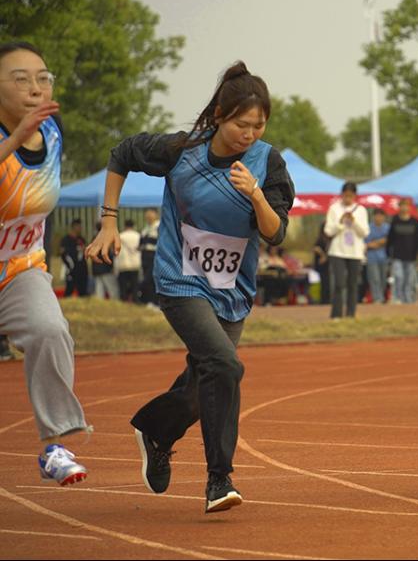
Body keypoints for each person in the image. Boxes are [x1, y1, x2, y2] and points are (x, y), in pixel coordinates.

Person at [86, 61, 295, 512]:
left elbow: (275, 233)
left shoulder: (267, 161)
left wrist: (256, 194)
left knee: (206, 384)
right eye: (242, 124)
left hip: (232, 289)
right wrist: (108, 222)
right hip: (179, 279)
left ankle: (155, 429)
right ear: (220, 115)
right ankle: (219, 481)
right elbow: (122, 153)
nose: (250, 134)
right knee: (225, 366)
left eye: (259, 125)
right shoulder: (182, 150)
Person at [0, 41, 90, 485]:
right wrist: (14, 139)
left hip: (18, 267)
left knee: (51, 328)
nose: (35, 87)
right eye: (21, 79)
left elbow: (42, 207)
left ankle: (56, 444)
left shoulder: (53, 133)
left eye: (43, 78)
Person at [324, 181, 368, 318]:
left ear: (355, 195)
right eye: (345, 195)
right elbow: (328, 231)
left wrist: (354, 222)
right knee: (339, 283)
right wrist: (340, 223)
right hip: (337, 251)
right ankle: (336, 315)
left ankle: (351, 314)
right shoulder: (334, 208)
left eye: (350, 196)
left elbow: (365, 233)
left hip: (355, 252)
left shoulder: (361, 210)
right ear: (341, 194)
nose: (347, 199)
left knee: (353, 285)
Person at [386, 198, 418, 304]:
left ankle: (409, 300)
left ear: (410, 207)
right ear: (399, 207)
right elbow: (390, 238)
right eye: (402, 205)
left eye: (406, 205)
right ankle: (398, 298)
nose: (404, 208)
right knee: (399, 277)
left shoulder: (415, 222)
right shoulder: (394, 221)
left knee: (409, 279)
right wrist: (388, 252)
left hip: (411, 256)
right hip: (397, 255)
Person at [364, 209, 390, 304]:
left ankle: (382, 296)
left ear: (384, 217)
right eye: (376, 215)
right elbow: (366, 244)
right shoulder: (368, 228)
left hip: (384, 257)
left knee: (383, 278)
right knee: (374, 278)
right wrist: (380, 242)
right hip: (371, 257)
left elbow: (389, 240)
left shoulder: (387, 227)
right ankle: (377, 298)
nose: (378, 218)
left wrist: (376, 242)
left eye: (381, 215)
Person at [90, 220, 120, 300]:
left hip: (96, 269)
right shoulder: (106, 238)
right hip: (106, 268)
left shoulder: (94, 238)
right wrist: (112, 266)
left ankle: (100, 307)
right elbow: (109, 253)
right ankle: (115, 305)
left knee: (99, 291)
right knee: (113, 291)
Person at [60, 218, 89, 297]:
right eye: (78, 226)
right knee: (69, 289)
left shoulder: (81, 239)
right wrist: (69, 266)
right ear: (74, 227)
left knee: (83, 291)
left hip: (82, 269)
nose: (80, 228)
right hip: (72, 269)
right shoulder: (66, 240)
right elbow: (63, 254)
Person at [116, 218, 142, 302]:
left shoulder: (120, 236)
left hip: (123, 264)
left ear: (125, 225)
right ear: (133, 226)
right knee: (135, 285)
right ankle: (135, 300)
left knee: (123, 285)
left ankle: (123, 300)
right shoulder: (138, 236)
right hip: (135, 264)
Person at [139, 207, 160, 306]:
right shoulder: (145, 228)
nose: (148, 216)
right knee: (146, 278)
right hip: (145, 256)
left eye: (150, 214)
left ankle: (155, 302)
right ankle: (149, 301)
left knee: (151, 279)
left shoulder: (159, 226)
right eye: (147, 214)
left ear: (156, 214)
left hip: (154, 255)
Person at [312, 228, 331, 305]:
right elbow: (315, 248)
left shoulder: (329, 239)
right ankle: (324, 300)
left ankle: (327, 299)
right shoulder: (321, 239)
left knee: (327, 282)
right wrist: (323, 255)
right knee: (325, 282)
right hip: (322, 265)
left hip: (327, 264)